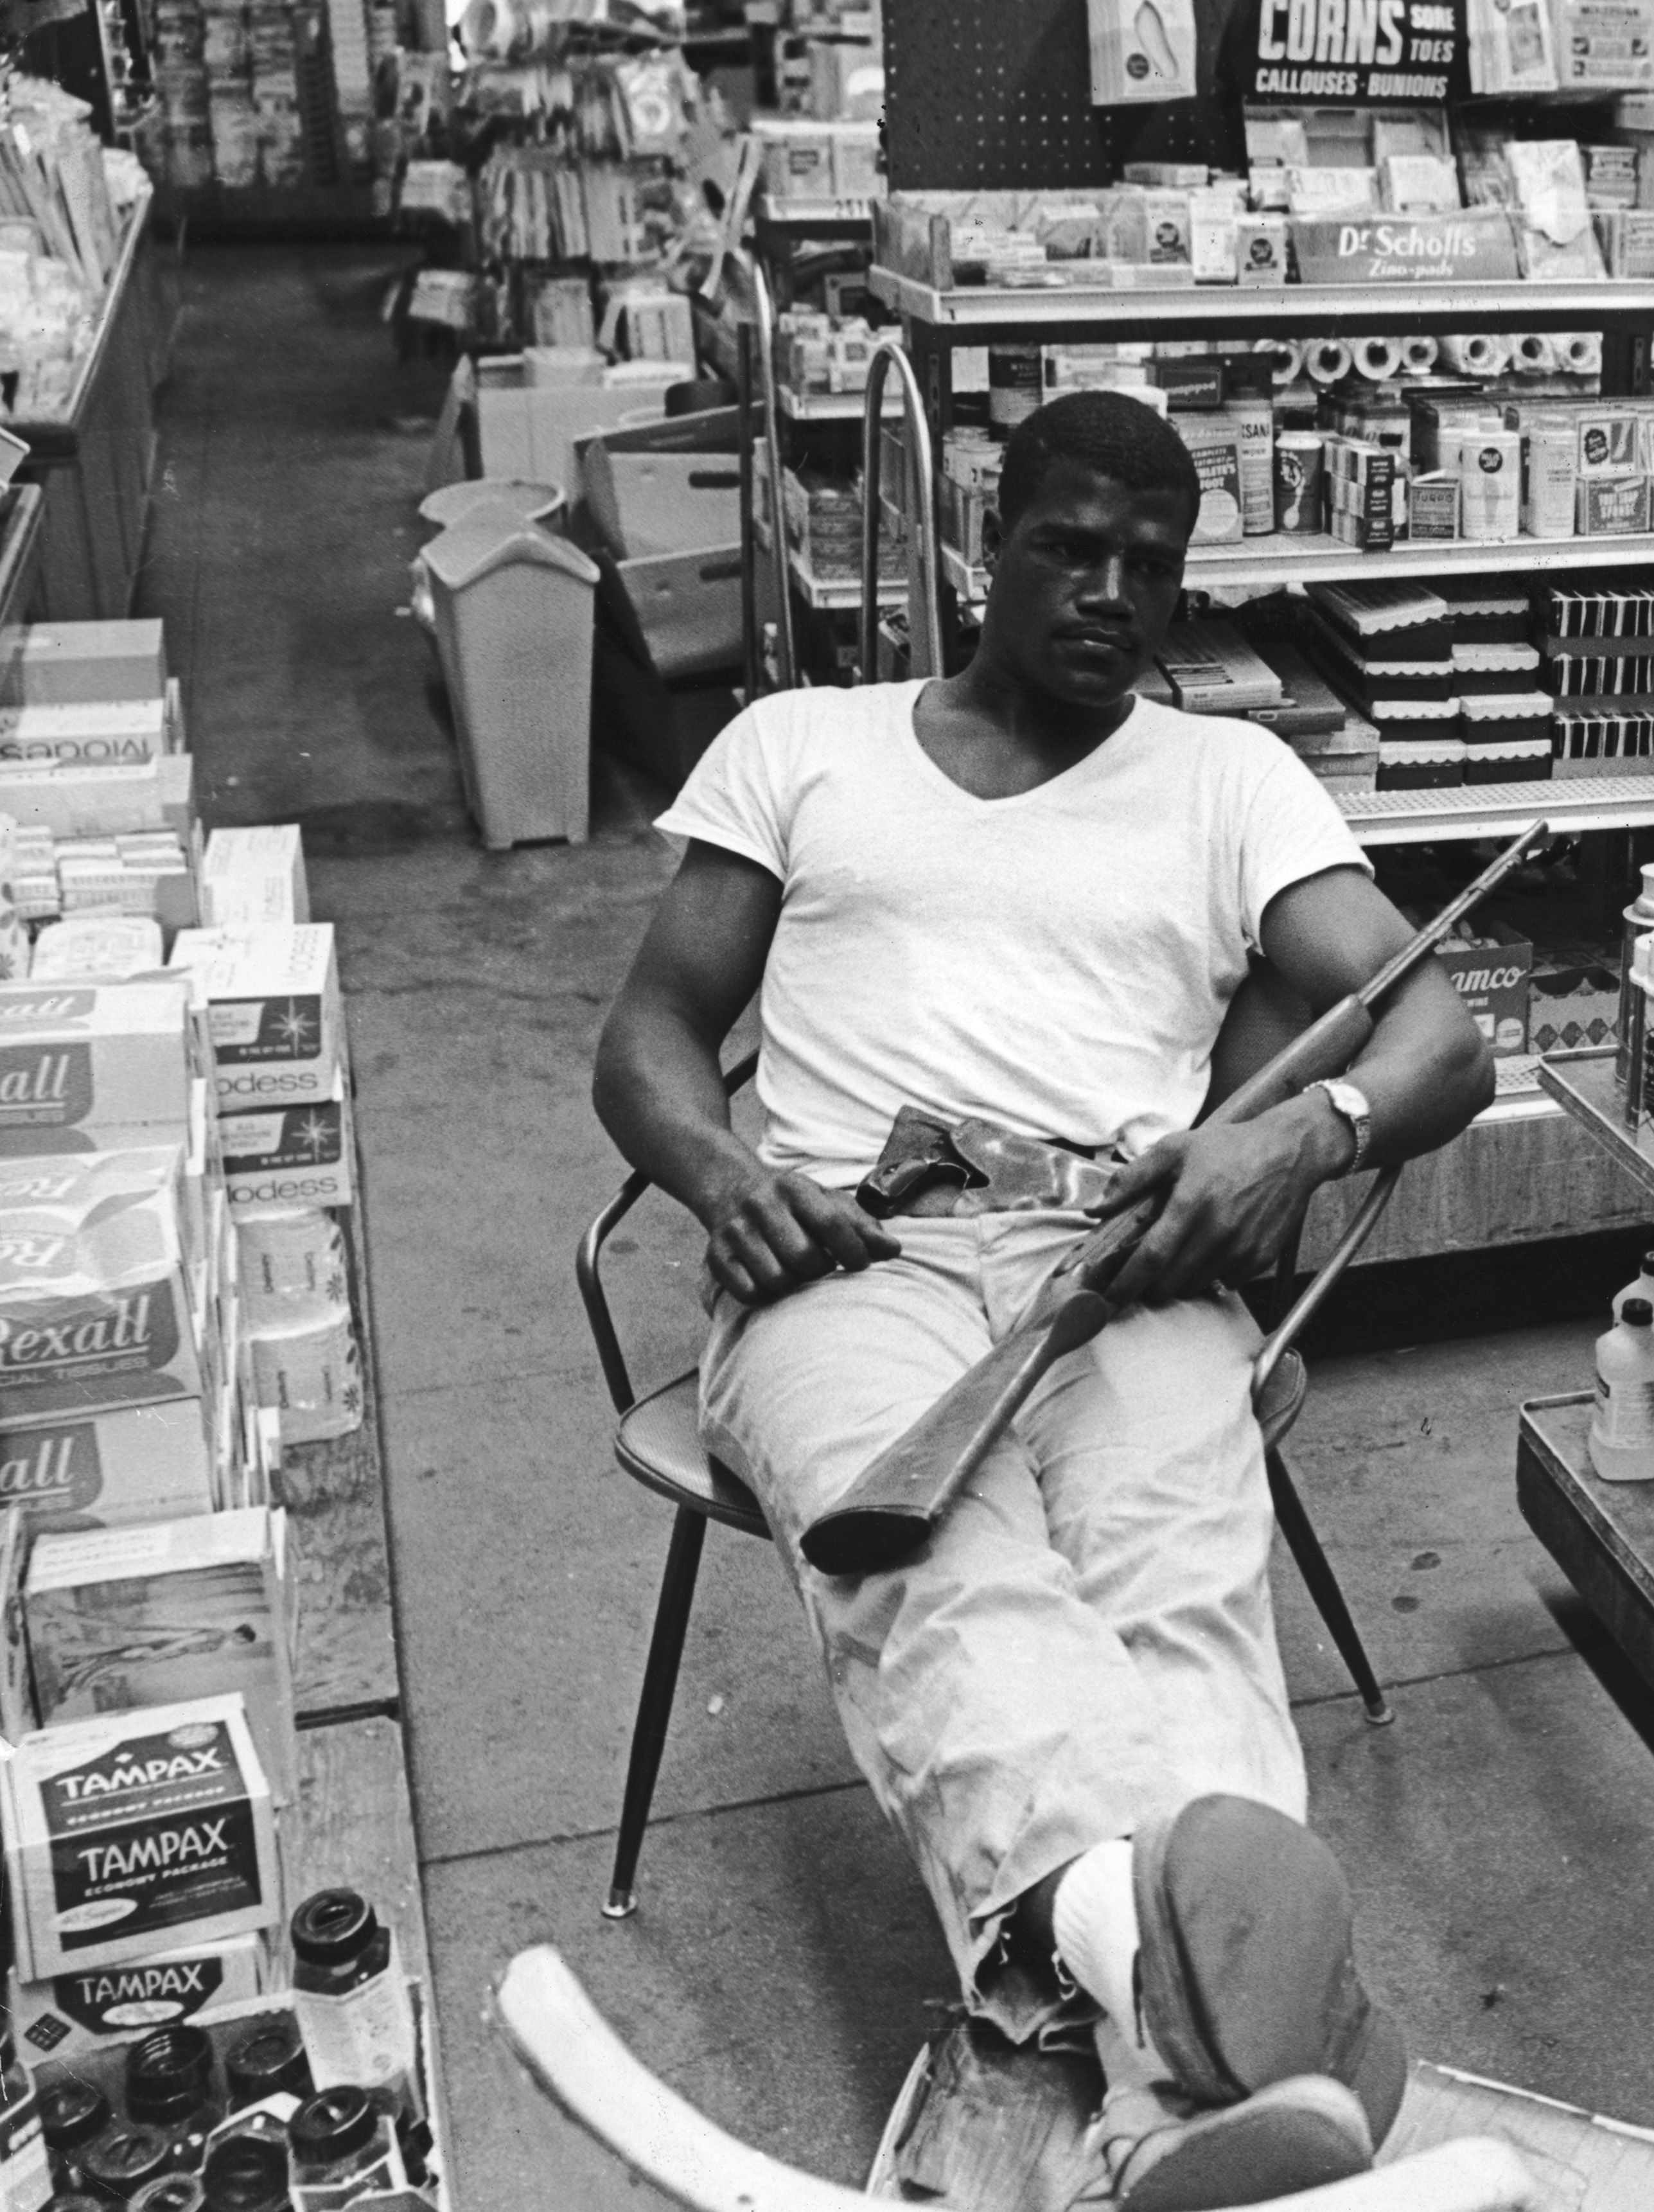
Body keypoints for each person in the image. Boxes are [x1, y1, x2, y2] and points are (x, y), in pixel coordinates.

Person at [594, 390, 1496, 2209]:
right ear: (981, 550)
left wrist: (1301, 1134)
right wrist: (726, 1176)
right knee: (938, 1557)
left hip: (1124, 1251)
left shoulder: (1232, 781)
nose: (1110, 594)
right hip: (855, 1256)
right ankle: (1209, 2001)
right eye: (1069, 550)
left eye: (1150, 568)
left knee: (1178, 1571)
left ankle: (1177, 2035)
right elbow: (650, 1035)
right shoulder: (806, 745)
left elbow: (1440, 1037)